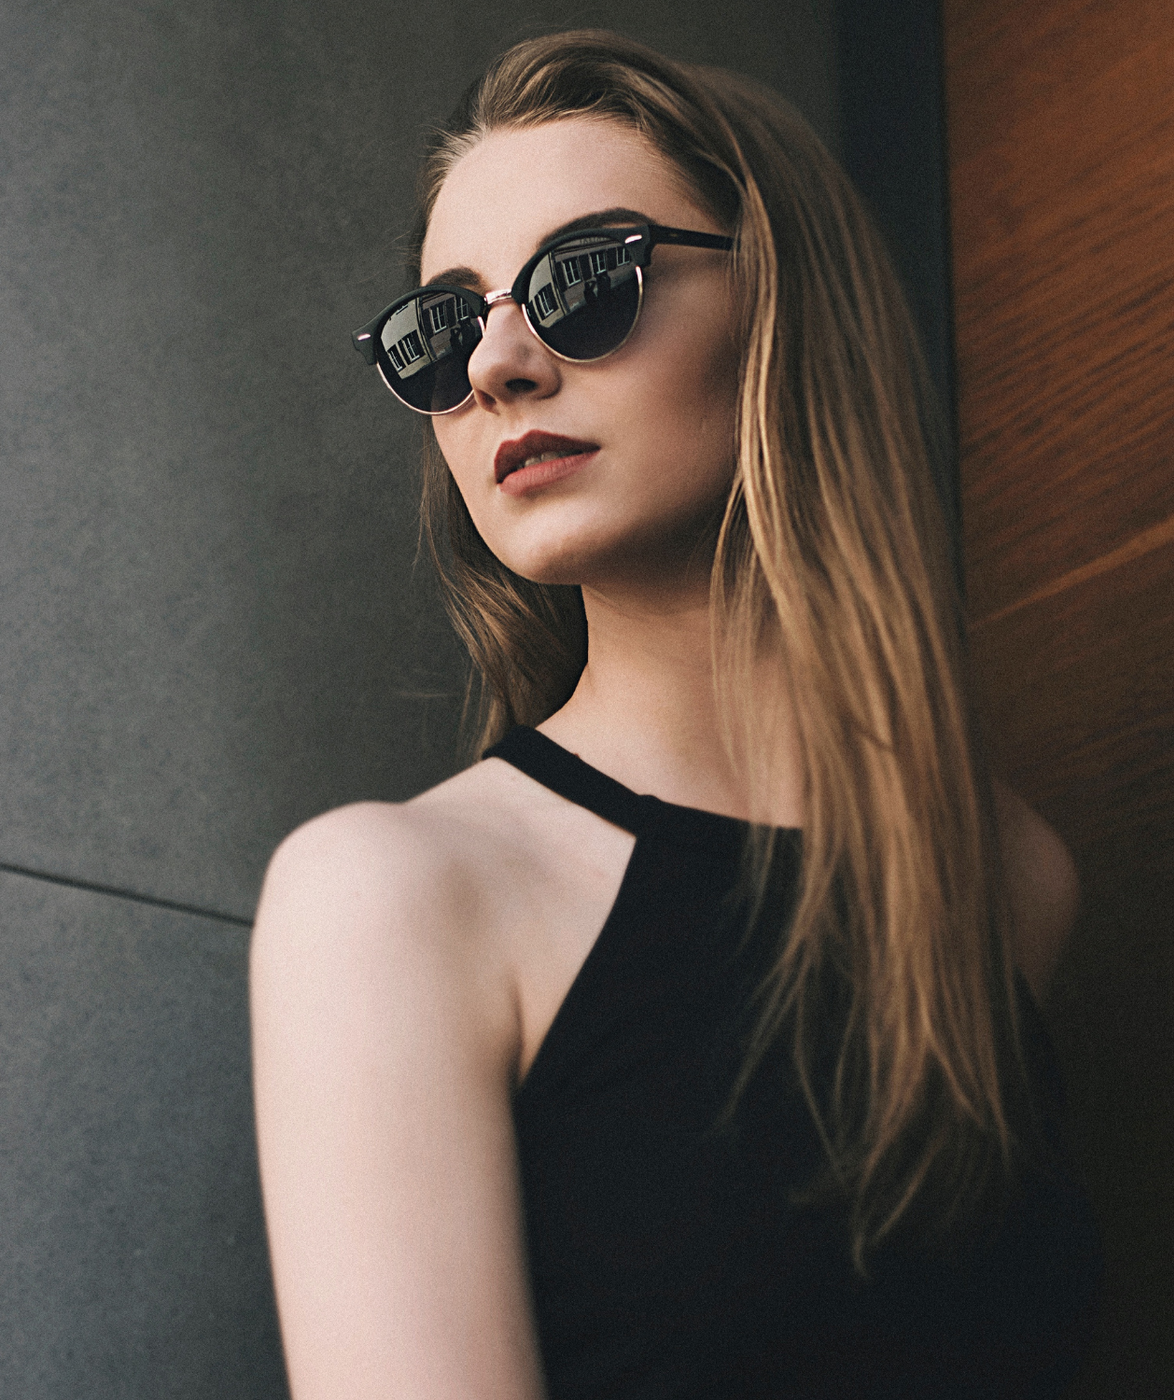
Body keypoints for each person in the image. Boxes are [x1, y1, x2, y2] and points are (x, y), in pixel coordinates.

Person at [250, 30, 1101, 1400]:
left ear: (783, 303)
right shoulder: (395, 900)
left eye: (583, 282)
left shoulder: (1006, 881)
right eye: (443, 330)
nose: (497, 367)